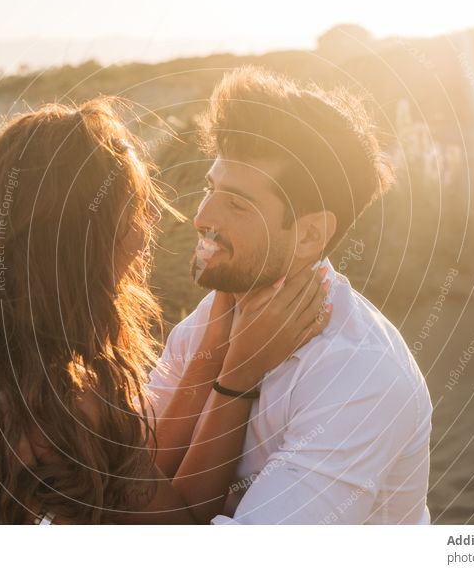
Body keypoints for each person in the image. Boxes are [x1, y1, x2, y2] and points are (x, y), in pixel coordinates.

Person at [0, 98, 331, 525]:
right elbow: (185, 528)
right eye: (138, 206)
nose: (155, 216)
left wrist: (214, 342)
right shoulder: (62, 401)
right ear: (84, 241)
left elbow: (137, 474)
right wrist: (240, 377)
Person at [147, 66, 434, 524]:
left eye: (238, 203)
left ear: (307, 236)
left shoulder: (362, 378)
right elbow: (135, 480)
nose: (202, 217)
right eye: (209, 187)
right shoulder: (212, 316)